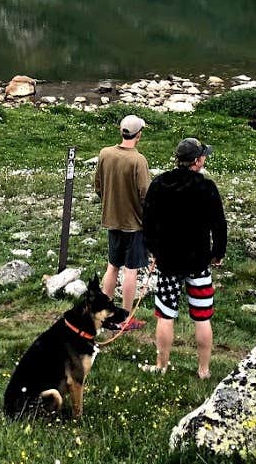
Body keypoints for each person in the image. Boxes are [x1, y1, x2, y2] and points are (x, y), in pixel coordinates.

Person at [141, 136, 227, 378]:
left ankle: (161, 366)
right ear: (197, 161)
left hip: (168, 261)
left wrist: (154, 251)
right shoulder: (206, 187)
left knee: (165, 314)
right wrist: (217, 253)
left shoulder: (159, 184)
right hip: (198, 262)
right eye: (203, 156)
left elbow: (148, 222)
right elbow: (219, 225)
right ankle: (204, 370)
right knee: (202, 316)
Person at [92, 113, 150, 332]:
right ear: (139, 135)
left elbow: (98, 185)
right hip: (134, 223)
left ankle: (105, 316)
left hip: (111, 220)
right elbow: (145, 194)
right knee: (131, 270)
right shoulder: (138, 160)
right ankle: (125, 318)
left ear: (121, 131)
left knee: (112, 266)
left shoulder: (105, 153)